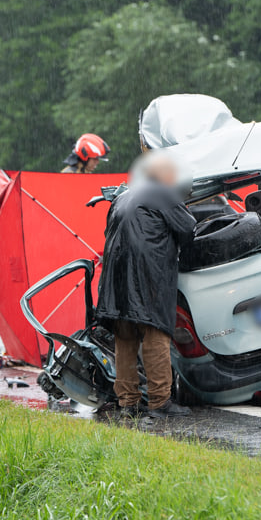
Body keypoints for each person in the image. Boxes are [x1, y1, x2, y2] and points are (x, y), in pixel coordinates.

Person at [96, 155, 196, 418]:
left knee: (125, 337)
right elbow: (188, 228)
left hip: (115, 277)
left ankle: (128, 402)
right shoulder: (163, 193)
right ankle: (160, 402)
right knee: (155, 334)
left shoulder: (124, 196)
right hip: (147, 275)